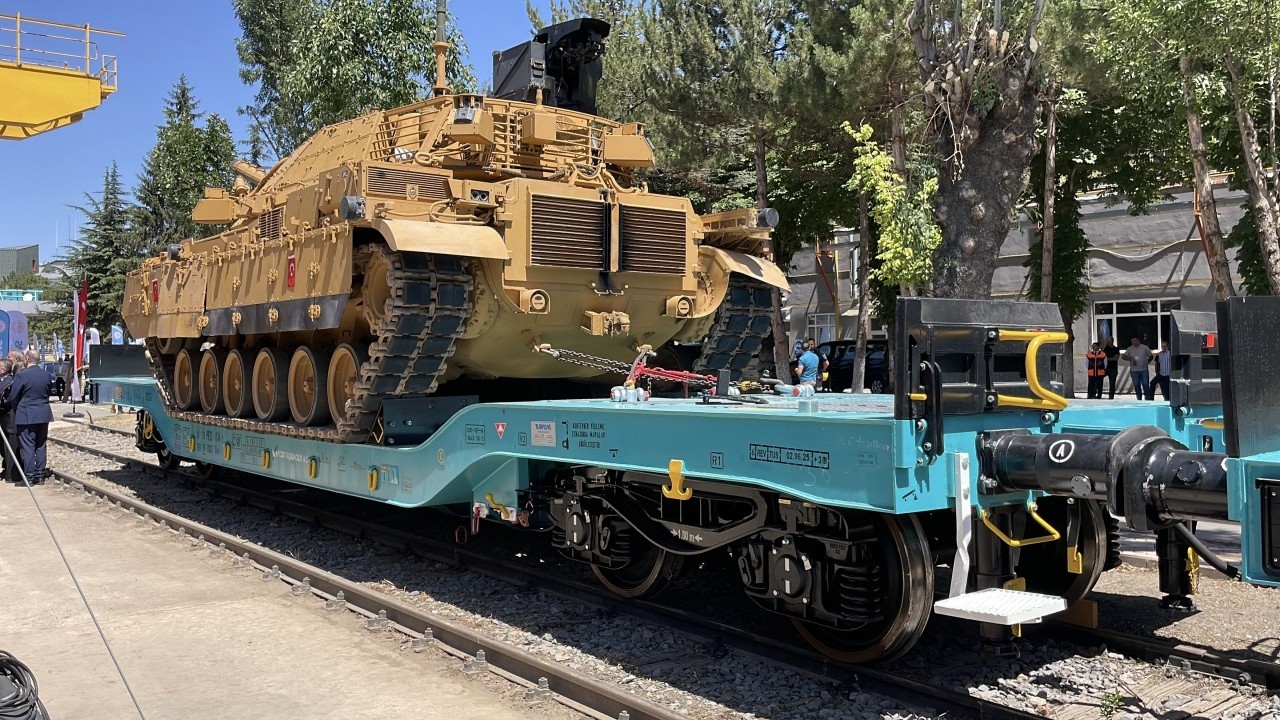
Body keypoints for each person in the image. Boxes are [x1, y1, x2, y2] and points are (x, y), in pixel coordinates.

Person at [2, 350, 53, 485]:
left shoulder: (22, 376)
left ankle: (29, 477)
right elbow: (47, 393)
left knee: (27, 446)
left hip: (26, 414)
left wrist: (18, 407)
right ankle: (40, 476)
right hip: (43, 414)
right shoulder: (46, 375)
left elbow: (13, 396)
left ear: (26, 359)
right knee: (40, 445)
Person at [0, 360, 18, 483]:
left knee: (8, 446)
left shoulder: (10, 381)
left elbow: (8, 400)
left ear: (3, 370)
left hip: (7, 417)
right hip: (3, 417)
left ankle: (10, 474)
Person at [1121, 336, 1154, 401]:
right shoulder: (1130, 348)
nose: (1133, 342)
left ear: (1138, 340)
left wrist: (1147, 362)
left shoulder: (1144, 347)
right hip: (1134, 371)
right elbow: (1123, 356)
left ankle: (1147, 399)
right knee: (1136, 385)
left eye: (1135, 340)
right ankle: (1139, 399)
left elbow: (1151, 356)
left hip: (1143, 369)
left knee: (1146, 385)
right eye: (1132, 341)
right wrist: (1130, 358)